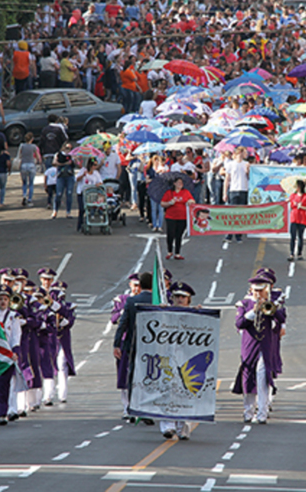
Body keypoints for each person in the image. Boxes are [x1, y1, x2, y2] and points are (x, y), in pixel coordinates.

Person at [233, 273, 285, 424]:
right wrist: (253, 311)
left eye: (261, 290)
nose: (258, 294)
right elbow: (239, 323)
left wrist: (272, 308)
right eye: (256, 290)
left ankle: (262, 413)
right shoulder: (244, 304)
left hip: (265, 345)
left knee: (263, 377)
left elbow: (281, 318)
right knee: (248, 378)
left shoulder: (272, 304)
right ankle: (248, 411)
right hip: (249, 346)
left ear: (267, 290)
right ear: (251, 289)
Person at [113, 271, 156, 425]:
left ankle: (135, 407)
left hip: (133, 345)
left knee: (133, 376)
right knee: (151, 376)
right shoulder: (158, 301)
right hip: (154, 347)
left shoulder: (131, 301)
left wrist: (116, 344)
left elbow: (122, 324)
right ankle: (149, 408)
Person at [159, 280, 197, 441]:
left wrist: (201, 315)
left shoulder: (195, 314)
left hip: (188, 358)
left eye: (183, 297)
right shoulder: (166, 312)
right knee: (167, 390)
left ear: (189, 299)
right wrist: (159, 312)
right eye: (177, 296)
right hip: (168, 357)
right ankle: (168, 426)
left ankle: (183, 427)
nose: (180, 299)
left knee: (185, 392)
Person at [0, 285, 21, 426]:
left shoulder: (13, 316)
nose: (3, 302)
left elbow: (16, 335)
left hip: (6, 356)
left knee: (3, 385)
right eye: (0, 299)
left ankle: (2, 414)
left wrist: (15, 352)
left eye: (6, 299)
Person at [161, 176, 194, 260]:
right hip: (171, 216)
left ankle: (177, 253)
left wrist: (190, 202)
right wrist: (169, 203)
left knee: (179, 235)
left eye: (181, 183)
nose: (180, 184)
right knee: (170, 234)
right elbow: (162, 203)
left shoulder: (185, 192)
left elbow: (192, 201)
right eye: (178, 183)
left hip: (182, 217)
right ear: (174, 183)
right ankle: (169, 251)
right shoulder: (169, 193)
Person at [223, 147, 250, 242]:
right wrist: (224, 193)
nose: (246, 154)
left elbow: (249, 177)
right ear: (240, 153)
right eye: (245, 152)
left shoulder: (246, 164)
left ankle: (239, 235)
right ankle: (229, 234)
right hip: (233, 190)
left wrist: (248, 171)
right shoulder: (230, 164)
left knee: (241, 213)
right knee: (232, 213)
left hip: (244, 190)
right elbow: (227, 179)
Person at [75, 157, 104, 232]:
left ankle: (92, 221)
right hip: (82, 192)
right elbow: (77, 179)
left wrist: (98, 184)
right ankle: (80, 224)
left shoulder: (96, 173)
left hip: (91, 193)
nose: (95, 166)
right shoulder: (83, 170)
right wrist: (83, 175)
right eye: (94, 165)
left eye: (96, 165)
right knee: (82, 209)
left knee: (93, 207)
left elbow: (100, 181)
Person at [287, 179, 306, 261]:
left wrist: (301, 207)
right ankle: (291, 253)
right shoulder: (292, 196)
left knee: (300, 236)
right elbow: (287, 203)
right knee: (293, 236)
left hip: (302, 218)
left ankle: (299, 253)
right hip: (294, 217)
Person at [19, 132, 44, 207]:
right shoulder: (34, 147)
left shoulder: (22, 146)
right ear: (32, 139)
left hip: (23, 164)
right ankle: (29, 199)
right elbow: (37, 157)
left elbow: (19, 155)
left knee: (24, 182)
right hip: (31, 165)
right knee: (31, 183)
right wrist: (39, 161)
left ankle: (24, 195)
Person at [54, 142, 76, 219]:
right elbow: (54, 163)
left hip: (70, 176)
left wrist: (74, 160)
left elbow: (75, 165)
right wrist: (64, 163)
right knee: (59, 194)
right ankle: (55, 210)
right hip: (61, 176)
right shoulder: (58, 154)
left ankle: (68, 212)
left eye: (69, 148)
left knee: (69, 194)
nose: (68, 150)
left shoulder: (72, 155)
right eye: (67, 148)